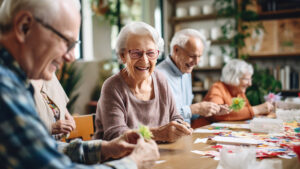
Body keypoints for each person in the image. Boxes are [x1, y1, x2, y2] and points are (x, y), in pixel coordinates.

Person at [0, 0, 159, 168]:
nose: (71, 57)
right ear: (24, 27)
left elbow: (41, 151)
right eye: (66, 42)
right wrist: (133, 162)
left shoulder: (15, 81)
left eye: (74, 45)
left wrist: (105, 149)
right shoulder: (5, 88)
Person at [94, 22, 193, 143]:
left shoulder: (161, 80)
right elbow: (115, 134)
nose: (145, 60)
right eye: (136, 53)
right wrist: (158, 134)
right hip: (121, 159)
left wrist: (179, 127)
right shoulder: (113, 87)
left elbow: (175, 117)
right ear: (123, 56)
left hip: (158, 155)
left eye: (151, 53)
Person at [156, 29, 229, 126]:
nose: (197, 62)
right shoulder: (158, 75)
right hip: (168, 139)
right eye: (192, 56)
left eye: (199, 56)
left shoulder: (186, 72)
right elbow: (159, 116)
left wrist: (209, 111)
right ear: (176, 50)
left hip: (187, 135)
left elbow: (188, 114)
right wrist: (195, 108)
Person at [192, 59, 274, 128]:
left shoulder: (239, 91)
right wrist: (257, 109)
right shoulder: (217, 88)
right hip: (203, 134)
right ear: (233, 78)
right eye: (246, 79)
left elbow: (246, 113)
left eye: (250, 79)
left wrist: (265, 109)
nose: (250, 84)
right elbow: (216, 113)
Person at [31, 75, 76, 140]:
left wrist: (68, 116)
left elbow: (60, 102)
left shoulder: (50, 73)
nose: (59, 64)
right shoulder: (21, 83)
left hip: (57, 143)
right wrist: (51, 128)